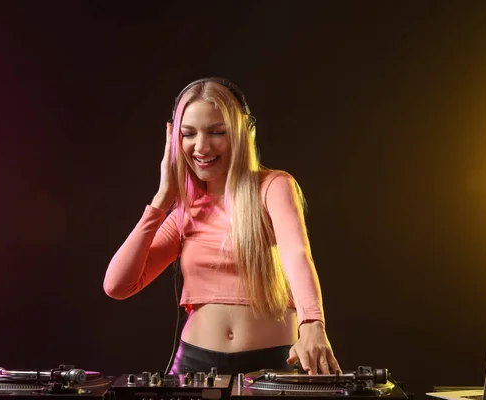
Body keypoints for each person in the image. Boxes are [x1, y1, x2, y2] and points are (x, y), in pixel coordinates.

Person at [103, 77, 340, 376]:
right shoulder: (185, 210)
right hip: (194, 366)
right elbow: (117, 285)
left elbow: (296, 255)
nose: (201, 146)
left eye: (217, 132)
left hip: (270, 367)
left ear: (243, 133)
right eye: (188, 134)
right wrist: (162, 199)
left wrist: (312, 324)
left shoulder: (274, 187)